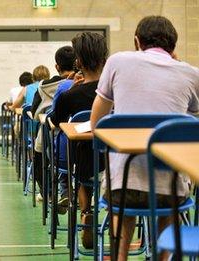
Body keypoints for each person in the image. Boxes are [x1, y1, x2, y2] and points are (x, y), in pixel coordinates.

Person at [90, 16, 199, 261]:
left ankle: (119, 255)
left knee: (121, 188)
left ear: (136, 41)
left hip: (122, 185)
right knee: (171, 187)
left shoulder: (117, 61)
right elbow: (191, 124)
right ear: (173, 48)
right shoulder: (192, 74)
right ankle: (163, 257)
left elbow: (97, 124)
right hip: (171, 190)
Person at [50, 32, 108, 249]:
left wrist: (72, 89)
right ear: (104, 60)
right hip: (116, 161)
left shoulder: (70, 95)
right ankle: (110, 210)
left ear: (78, 62)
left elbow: (56, 122)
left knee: (83, 151)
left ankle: (86, 212)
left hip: (85, 163)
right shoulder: (115, 92)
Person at [31, 46, 76, 205]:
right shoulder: (82, 83)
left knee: (38, 154)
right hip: (79, 138)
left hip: (51, 136)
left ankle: (48, 193)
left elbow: (35, 114)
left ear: (57, 67)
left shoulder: (43, 86)